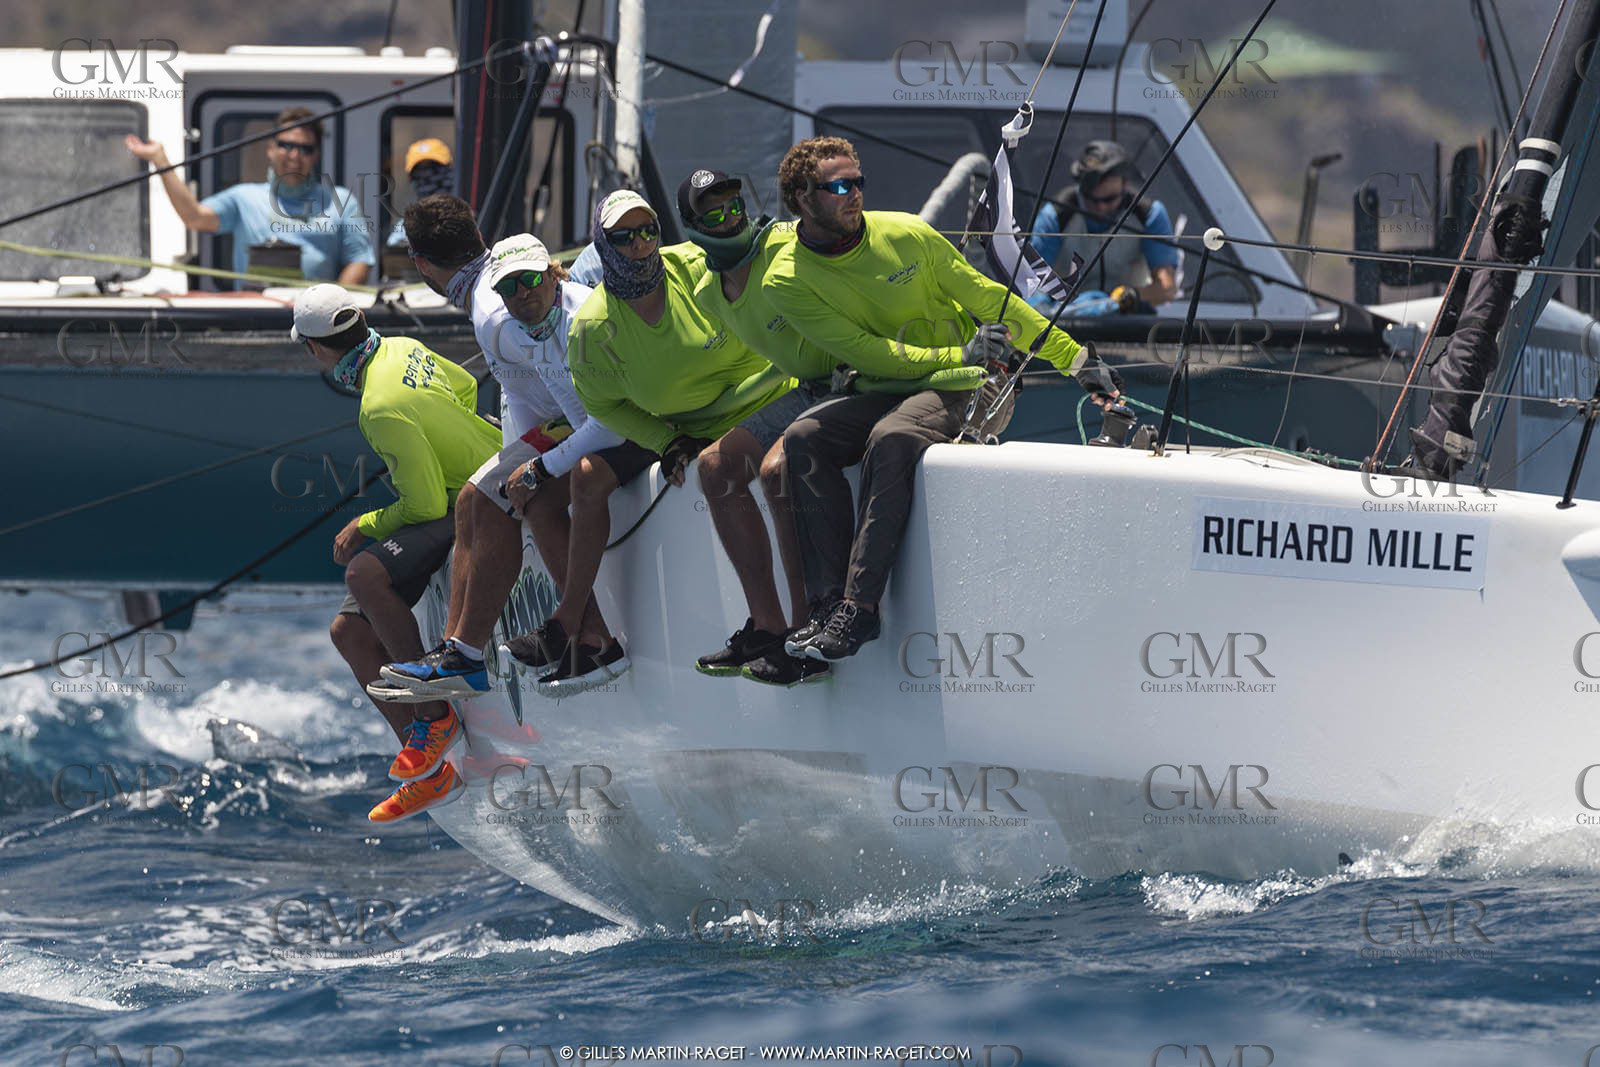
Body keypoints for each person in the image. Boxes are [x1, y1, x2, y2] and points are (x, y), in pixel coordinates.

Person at [766, 136, 1113, 662]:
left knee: (892, 435)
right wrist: (958, 351)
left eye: (858, 182)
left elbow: (990, 299)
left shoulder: (907, 233)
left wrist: (1077, 360)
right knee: (803, 437)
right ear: (802, 198)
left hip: (969, 385)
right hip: (895, 383)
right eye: (838, 187)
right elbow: (867, 353)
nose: (854, 194)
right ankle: (826, 604)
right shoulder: (785, 278)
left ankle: (860, 608)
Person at [539, 189, 795, 693]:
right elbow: (605, 407)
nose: (639, 244)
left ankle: (787, 628)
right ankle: (581, 626)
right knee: (589, 476)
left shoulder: (700, 265)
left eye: (648, 231)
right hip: (685, 427)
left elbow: (775, 244)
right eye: (623, 236)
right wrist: (665, 441)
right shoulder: (592, 328)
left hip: (771, 397)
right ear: (602, 244)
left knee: (730, 468)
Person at [374, 196, 623, 700]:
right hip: (565, 419)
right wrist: (516, 460)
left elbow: (582, 408)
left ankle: (473, 654)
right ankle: (453, 652)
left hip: (594, 420)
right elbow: (519, 391)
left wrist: (533, 471)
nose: (520, 293)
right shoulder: (493, 297)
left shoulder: (497, 313)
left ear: (421, 265)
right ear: (478, 237)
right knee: (475, 497)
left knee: (492, 500)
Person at [292, 283, 500, 822]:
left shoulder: (378, 406)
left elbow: (425, 504)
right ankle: (431, 774)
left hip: (475, 498)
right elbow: (464, 386)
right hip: (474, 479)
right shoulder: (401, 347)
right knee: (348, 632)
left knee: (363, 574)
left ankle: (434, 716)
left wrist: (363, 523)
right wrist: (450, 435)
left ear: (315, 349)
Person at [678, 167, 838, 687]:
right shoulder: (708, 292)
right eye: (713, 214)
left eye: (735, 206)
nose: (729, 218)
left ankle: (803, 635)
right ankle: (767, 626)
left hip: (851, 379)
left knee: (776, 470)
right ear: (692, 227)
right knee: (715, 466)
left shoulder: (787, 244)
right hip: (808, 389)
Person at [127, 107, 374, 286]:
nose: (294, 155)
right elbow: (194, 217)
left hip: (317, 324)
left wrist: (332, 310)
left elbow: (359, 260)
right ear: (270, 149)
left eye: (305, 149)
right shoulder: (243, 198)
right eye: (286, 145)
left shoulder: (342, 201)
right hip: (254, 316)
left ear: (316, 155)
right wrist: (160, 160)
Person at [1027, 140, 1180, 315]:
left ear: (1125, 184)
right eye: (1091, 199)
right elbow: (1032, 283)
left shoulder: (1148, 214)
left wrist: (1127, 297)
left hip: (1129, 317)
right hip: (1065, 319)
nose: (1100, 207)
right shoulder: (1055, 216)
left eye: (1109, 199)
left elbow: (1167, 289)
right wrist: (1044, 310)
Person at [385, 138, 456, 246]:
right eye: (419, 171)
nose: (427, 176)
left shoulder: (468, 216)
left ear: (449, 169)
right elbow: (394, 248)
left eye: (433, 167)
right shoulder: (406, 228)